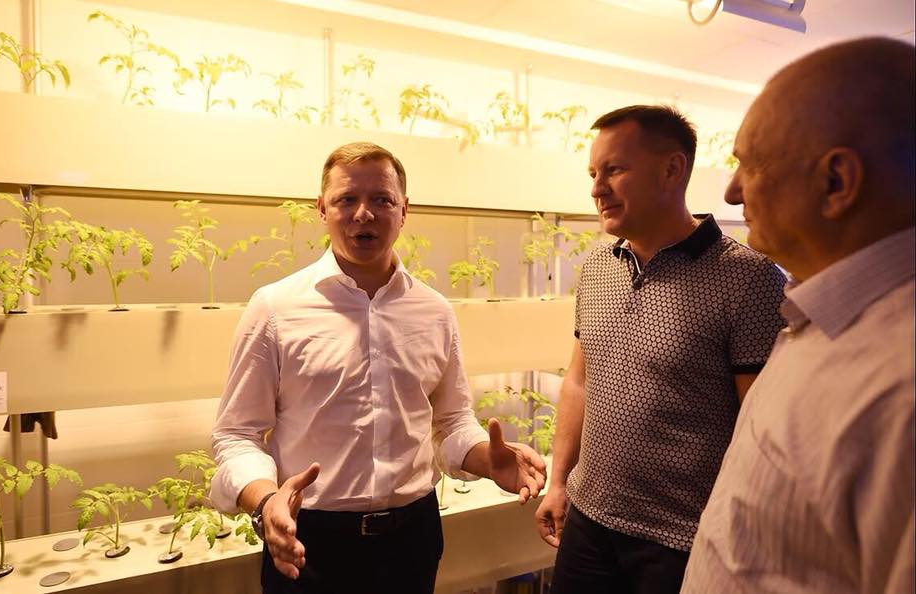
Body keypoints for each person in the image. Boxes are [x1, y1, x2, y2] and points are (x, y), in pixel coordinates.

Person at [210, 142, 547, 594]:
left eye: (382, 199)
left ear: (404, 210)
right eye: (347, 199)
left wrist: (487, 459)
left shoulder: (434, 311)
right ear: (322, 209)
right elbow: (236, 435)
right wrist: (266, 499)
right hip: (309, 540)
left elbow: (451, 423)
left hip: (412, 539)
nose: (363, 213)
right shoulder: (275, 308)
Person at [682, 38, 915, 593]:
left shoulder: (899, 387)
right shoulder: (820, 321)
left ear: (836, 183)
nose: (732, 192)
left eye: (749, 164)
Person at [534, 105, 787, 593]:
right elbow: (579, 382)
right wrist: (559, 482)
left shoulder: (749, 279)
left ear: (672, 169)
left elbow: (760, 428)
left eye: (614, 170)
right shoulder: (597, 267)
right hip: (587, 522)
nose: (597, 188)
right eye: (593, 173)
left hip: (684, 540)